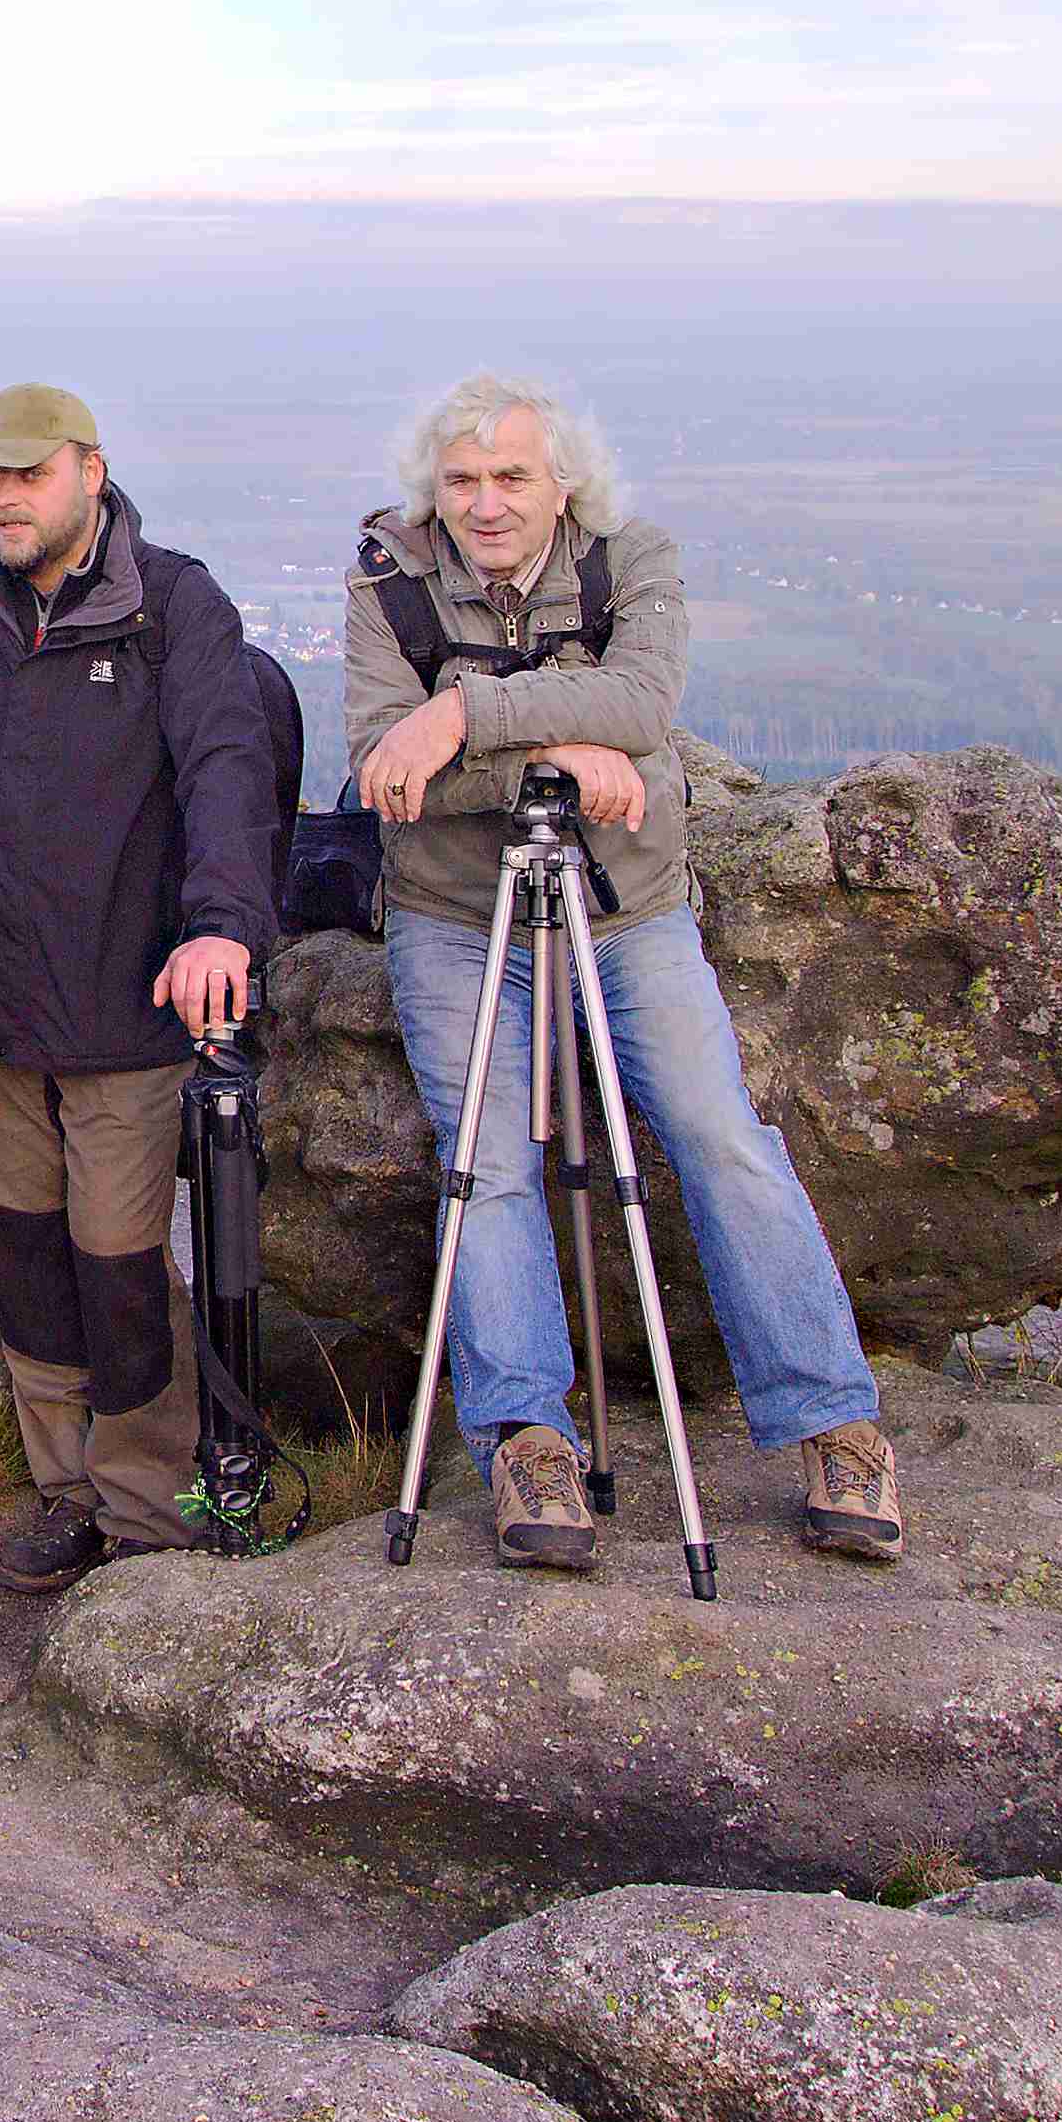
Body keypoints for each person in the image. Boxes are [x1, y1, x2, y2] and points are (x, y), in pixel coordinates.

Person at [348, 368, 901, 1575]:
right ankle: (526, 1439)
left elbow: (645, 701)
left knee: (718, 1133)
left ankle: (830, 1420)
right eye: (461, 481)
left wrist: (454, 717)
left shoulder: (631, 557)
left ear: (563, 485)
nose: (485, 504)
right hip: (453, 914)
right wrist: (558, 741)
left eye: (511, 477)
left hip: (626, 910)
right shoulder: (386, 579)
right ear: (429, 492)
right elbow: (380, 773)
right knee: (486, 1167)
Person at [0, 385, 277, 1593]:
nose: (4, 499)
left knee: (118, 1258)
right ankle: (63, 1491)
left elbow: (226, 765)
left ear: (89, 470)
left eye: (27, 476)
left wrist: (223, 928)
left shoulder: (168, 603)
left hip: (127, 999)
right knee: (23, 1248)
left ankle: (145, 1514)